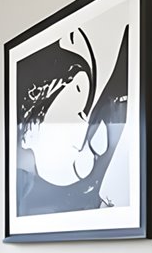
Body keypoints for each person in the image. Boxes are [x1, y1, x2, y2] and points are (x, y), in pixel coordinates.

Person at [14, 25, 130, 215]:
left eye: (85, 114)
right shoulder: (23, 194)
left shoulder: (100, 182)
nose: (85, 127)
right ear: (30, 130)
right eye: (77, 114)